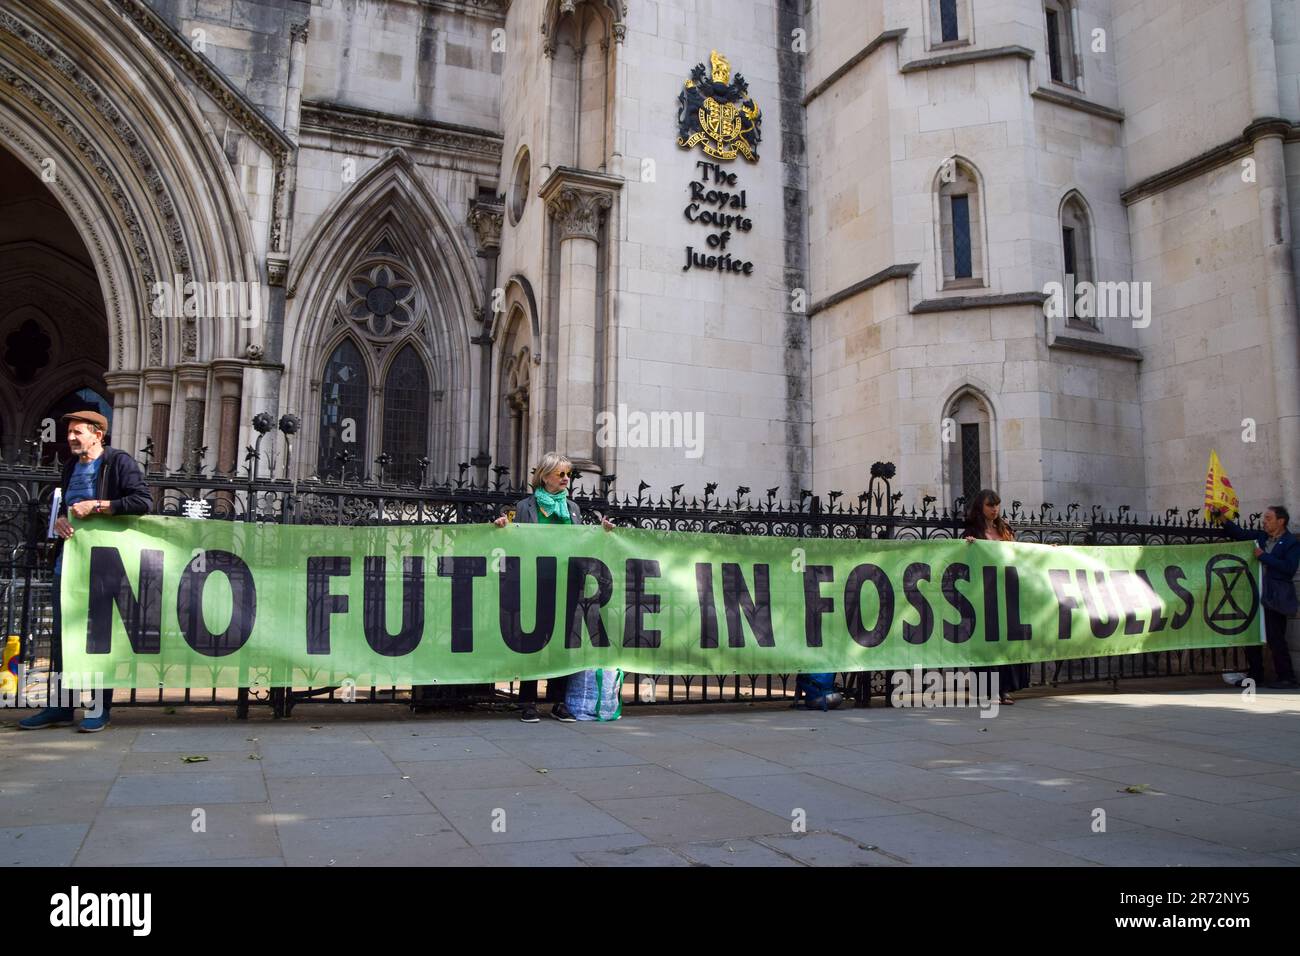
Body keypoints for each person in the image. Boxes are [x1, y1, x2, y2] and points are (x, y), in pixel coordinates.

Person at [20, 411, 152, 732]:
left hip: (106, 562)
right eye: (69, 433)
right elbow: (66, 510)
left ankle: (99, 708)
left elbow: (143, 501)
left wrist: (98, 505)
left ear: (98, 435)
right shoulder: (69, 468)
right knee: (63, 637)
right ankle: (61, 707)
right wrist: (60, 521)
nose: (70, 438)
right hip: (68, 561)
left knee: (98, 636)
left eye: (78, 432)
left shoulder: (118, 462)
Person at [493, 452, 614, 722]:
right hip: (536, 582)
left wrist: (601, 531)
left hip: (568, 583)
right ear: (545, 476)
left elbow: (582, 540)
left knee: (564, 643)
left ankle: (559, 701)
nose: (566, 479)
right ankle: (528, 702)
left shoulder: (573, 509)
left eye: (568, 474)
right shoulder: (526, 507)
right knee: (533, 642)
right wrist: (502, 526)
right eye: (561, 474)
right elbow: (512, 537)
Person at [1213, 505, 1299, 689]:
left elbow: (1289, 568)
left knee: (1275, 637)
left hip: (1276, 596)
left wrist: (1264, 557)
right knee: (1253, 636)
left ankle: (1287, 677)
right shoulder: (1261, 537)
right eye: (1264, 518)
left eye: (1268, 518)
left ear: (1280, 521)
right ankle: (1255, 674)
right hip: (1255, 594)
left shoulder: (1291, 542)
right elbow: (1240, 533)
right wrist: (1222, 518)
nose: (1264, 522)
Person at [963, 488, 1030, 704]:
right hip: (985, 593)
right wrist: (968, 546)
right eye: (990, 505)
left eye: (996, 505)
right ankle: (991, 690)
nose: (994, 509)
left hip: (1007, 590)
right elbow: (964, 559)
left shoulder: (1005, 529)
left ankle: (1005, 689)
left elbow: (1018, 554)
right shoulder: (972, 531)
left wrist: (1048, 551)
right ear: (980, 508)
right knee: (988, 642)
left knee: (1006, 641)